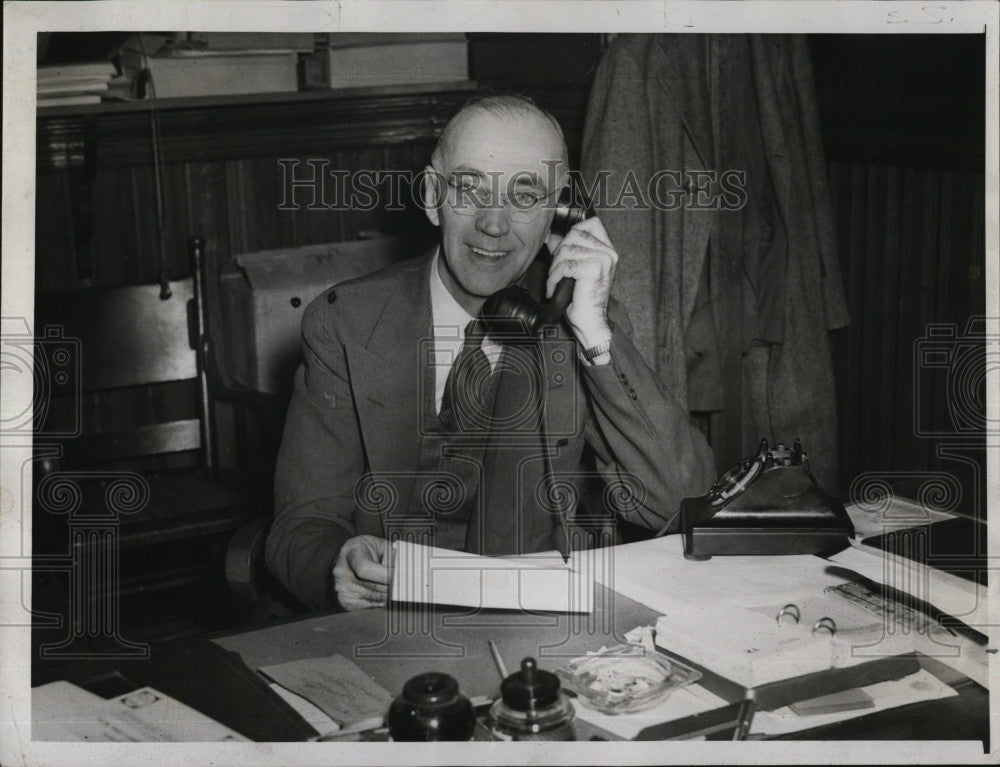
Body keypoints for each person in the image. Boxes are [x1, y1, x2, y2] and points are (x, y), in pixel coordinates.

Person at [265, 94, 715, 611]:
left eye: (525, 197)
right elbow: (299, 523)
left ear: (559, 212)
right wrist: (337, 564)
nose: (494, 224)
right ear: (433, 196)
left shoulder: (583, 324)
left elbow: (684, 501)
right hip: (381, 627)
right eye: (469, 189)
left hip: (521, 624)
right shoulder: (346, 322)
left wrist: (593, 334)